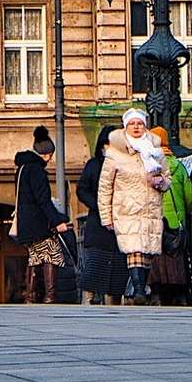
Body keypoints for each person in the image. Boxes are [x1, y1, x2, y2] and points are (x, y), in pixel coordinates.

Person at [98, 108, 168, 302]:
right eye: (132, 124)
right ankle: (138, 290)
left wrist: (161, 182)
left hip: (150, 208)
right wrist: (106, 216)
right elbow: (105, 187)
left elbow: (167, 177)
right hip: (126, 209)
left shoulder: (155, 151)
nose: (136, 127)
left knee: (147, 252)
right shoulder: (115, 153)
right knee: (134, 249)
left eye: (139, 123)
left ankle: (141, 287)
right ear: (125, 126)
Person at [13, 125, 71, 304]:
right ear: (46, 153)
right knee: (52, 253)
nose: (51, 159)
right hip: (39, 223)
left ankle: (30, 295)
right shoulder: (37, 170)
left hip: (26, 223)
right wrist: (57, 221)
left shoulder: (22, 168)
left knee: (35, 256)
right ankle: (49, 296)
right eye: (50, 155)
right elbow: (43, 200)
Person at [76, 125, 129, 305]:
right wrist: (99, 205)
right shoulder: (94, 164)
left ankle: (114, 300)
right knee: (95, 263)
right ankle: (89, 298)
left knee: (118, 266)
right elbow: (82, 190)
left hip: (119, 222)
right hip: (98, 223)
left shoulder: (125, 163)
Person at [147, 126, 192, 304]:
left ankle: (157, 294)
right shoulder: (179, 167)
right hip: (176, 221)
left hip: (154, 220)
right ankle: (179, 294)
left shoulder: (148, 167)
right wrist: (184, 212)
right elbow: (190, 194)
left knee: (156, 257)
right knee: (176, 257)